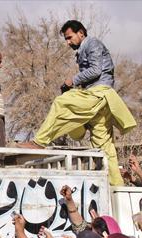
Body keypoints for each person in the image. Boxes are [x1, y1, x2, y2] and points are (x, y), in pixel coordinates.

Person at [27, 20, 136, 186]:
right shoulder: (83, 49)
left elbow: (96, 70)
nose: (68, 42)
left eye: (69, 37)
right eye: (66, 38)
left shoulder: (92, 44)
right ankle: (116, 190)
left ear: (81, 33)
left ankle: (39, 142)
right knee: (105, 147)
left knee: (61, 102)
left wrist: (72, 80)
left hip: (97, 94)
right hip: (103, 100)